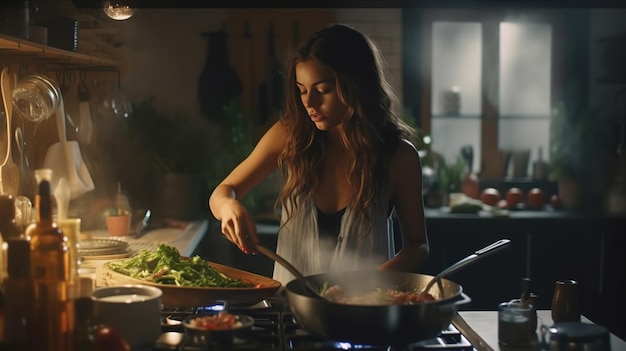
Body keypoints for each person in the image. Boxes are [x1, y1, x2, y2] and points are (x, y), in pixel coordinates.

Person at [208, 23, 429, 285]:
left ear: (356, 85)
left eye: (323, 90)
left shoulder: (398, 156)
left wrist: (371, 281)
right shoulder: (289, 136)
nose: (309, 103)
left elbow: (418, 245)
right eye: (302, 90)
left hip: (366, 311)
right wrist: (229, 206)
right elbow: (224, 191)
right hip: (290, 310)